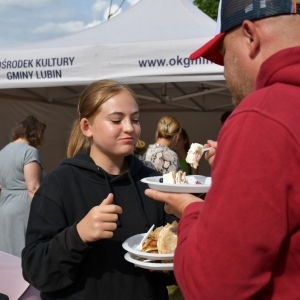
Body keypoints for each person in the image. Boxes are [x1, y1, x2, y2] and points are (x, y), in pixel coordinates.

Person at [144, 0, 300, 299]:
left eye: (224, 54)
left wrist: (191, 210)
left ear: (250, 36)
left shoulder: (261, 116)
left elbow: (212, 286)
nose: (225, 73)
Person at [21, 80, 176, 300]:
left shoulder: (153, 183)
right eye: (116, 120)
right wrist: (78, 235)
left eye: (135, 119)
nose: (130, 128)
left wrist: (169, 264)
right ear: (87, 127)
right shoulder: (60, 183)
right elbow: (35, 270)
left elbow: (175, 266)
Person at [0, 115, 46, 257]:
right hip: (22, 210)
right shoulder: (29, 151)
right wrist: (44, 213)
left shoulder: (3, 151)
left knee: (7, 258)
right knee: (24, 256)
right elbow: (33, 187)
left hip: (4, 207)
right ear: (36, 132)